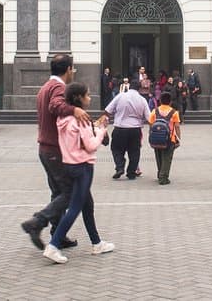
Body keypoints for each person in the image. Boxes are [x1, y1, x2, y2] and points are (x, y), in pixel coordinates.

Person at [21, 54, 91, 251]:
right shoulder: (59, 88)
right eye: (72, 68)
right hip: (54, 149)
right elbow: (56, 106)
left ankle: (58, 235)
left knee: (58, 192)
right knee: (70, 192)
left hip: (45, 148)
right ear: (68, 69)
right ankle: (38, 222)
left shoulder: (45, 87)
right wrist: (75, 110)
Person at [43, 82, 114, 264]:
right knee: (75, 208)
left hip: (69, 164)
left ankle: (96, 242)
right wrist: (102, 131)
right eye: (87, 95)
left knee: (87, 205)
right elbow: (90, 145)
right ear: (79, 98)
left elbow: (78, 139)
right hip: (83, 167)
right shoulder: (81, 119)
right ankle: (53, 245)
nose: (89, 98)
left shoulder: (63, 119)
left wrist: (94, 127)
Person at [104, 78, 150, 180]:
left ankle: (120, 167)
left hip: (120, 127)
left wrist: (107, 120)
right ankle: (131, 172)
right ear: (140, 89)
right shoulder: (142, 100)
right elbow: (149, 117)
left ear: (129, 86)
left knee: (116, 149)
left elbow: (108, 110)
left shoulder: (120, 96)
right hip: (135, 129)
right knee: (134, 151)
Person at [149, 91, 182, 185]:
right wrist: (179, 137)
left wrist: (151, 135)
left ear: (160, 101)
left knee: (158, 157)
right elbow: (177, 126)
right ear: (170, 102)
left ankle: (160, 173)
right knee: (167, 158)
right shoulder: (174, 112)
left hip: (156, 138)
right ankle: (163, 178)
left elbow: (151, 124)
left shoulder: (155, 111)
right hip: (169, 139)